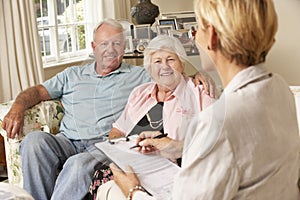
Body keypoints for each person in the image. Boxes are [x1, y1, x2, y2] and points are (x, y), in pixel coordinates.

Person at [98, 0, 300, 199]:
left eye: (197, 29)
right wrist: (176, 147)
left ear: (211, 36)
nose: (194, 37)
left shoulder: (217, 122)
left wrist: (133, 191)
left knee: (110, 190)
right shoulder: (279, 87)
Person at [1, 18, 215, 199]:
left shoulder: (138, 76)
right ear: (93, 48)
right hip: (67, 140)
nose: (110, 50)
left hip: (102, 145)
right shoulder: (72, 74)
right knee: (34, 141)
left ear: (124, 48)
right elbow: (38, 92)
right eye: (104, 44)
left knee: (78, 164)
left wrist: (199, 76)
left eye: (117, 44)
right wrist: (17, 106)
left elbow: (169, 74)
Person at [88, 35, 216, 199]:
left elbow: (215, 140)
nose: (165, 67)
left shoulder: (200, 92)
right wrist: (118, 150)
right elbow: (117, 130)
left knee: (112, 186)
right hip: (133, 164)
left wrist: (176, 147)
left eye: (171, 59)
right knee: (103, 174)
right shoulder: (140, 93)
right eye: (157, 61)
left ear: (182, 64)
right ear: (149, 67)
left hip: (170, 172)